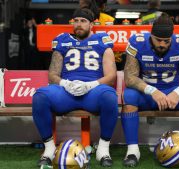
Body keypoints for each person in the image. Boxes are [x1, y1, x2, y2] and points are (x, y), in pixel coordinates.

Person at [32, 8, 118, 168]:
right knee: (40, 96)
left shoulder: (102, 40)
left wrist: (90, 85)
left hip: (93, 90)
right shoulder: (62, 40)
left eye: (83, 21)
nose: (79, 24)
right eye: (76, 21)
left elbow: (111, 76)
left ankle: (103, 149)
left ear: (92, 24)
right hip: (66, 91)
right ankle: (49, 149)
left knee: (110, 96)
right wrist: (65, 83)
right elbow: (52, 74)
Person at [121, 13, 179, 168]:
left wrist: (177, 92)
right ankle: (133, 151)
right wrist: (152, 90)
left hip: (172, 93)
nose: (162, 44)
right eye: (158, 40)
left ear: (172, 38)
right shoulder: (137, 43)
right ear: (151, 35)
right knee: (129, 96)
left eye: (166, 41)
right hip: (147, 94)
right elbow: (129, 78)